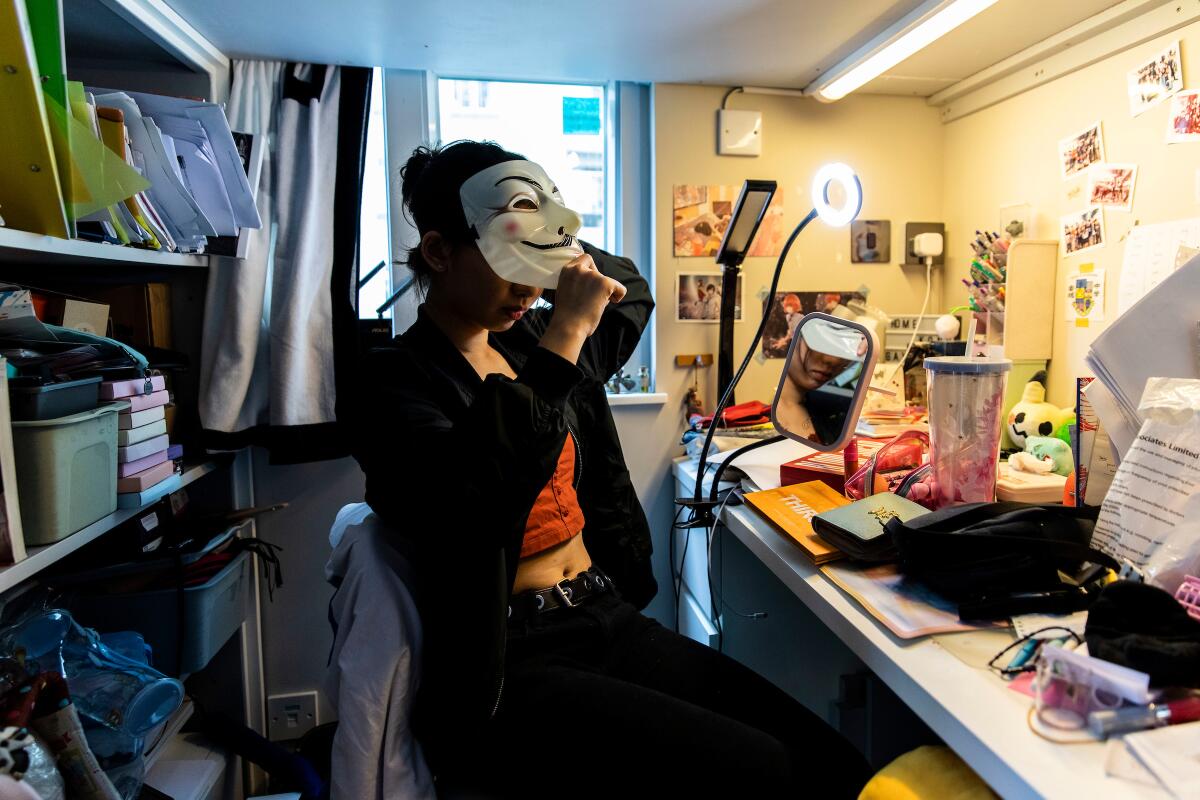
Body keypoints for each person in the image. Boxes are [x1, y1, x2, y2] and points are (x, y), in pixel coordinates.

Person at [350, 140, 871, 796]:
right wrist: (563, 333)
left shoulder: (522, 342)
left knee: (831, 762)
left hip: (604, 612)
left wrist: (554, 230)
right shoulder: (393, 380)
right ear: (438, 252)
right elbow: (475, 498)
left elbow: (632, 292)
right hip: (515, 660)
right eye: (506, 258)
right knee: (764, 771)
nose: (528, 286)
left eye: (532, 256)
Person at [774, 320, 866, 445]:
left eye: (842, 351)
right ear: (793, 337)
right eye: (820, 342)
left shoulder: (827, 412)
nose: (832, 360)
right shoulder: (763, 417)